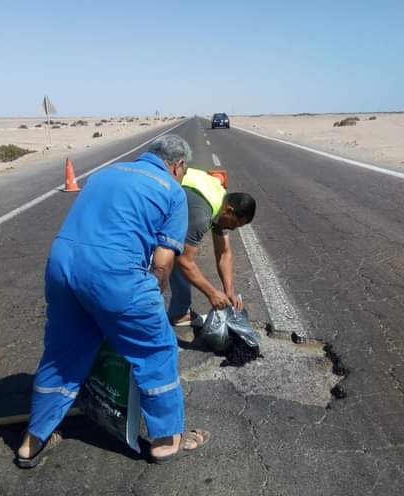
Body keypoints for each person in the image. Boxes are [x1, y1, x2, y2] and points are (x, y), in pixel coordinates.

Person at [17, 134, 210, 467]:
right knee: (156, 348)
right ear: (177, 165)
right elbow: (163, 262)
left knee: (62, 354)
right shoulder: (172, 191)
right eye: (183, 169)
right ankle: (166, 439)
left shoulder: (104, 173)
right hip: (115, 273)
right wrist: (148, 303)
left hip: (62, 265)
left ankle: (33, 439)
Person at [167, 168, 256, 326]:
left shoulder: (220, 199)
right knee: (169, 257)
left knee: (177, 251)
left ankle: (179, 312)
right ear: (229, 210)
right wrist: (211, 293)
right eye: (235, 224)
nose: (233, 229)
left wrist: (229, 290)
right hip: (139, 211)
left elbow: (224, 253)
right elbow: (183, 260)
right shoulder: (201, 215)